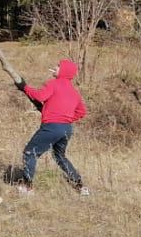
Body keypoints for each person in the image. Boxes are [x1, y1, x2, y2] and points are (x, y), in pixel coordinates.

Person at [14, 59, 89, 196]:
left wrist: (24, 87)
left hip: (52, 127)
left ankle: (27, 187)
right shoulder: (74, 91)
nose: (55, 67)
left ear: (64, 71)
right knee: (60, 156)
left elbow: (40, 96)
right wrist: (65, 118)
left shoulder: (54, 84)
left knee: (30, 153)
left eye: (58, 66)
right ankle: (80, 186)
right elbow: (82, 112)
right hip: (66, 129)